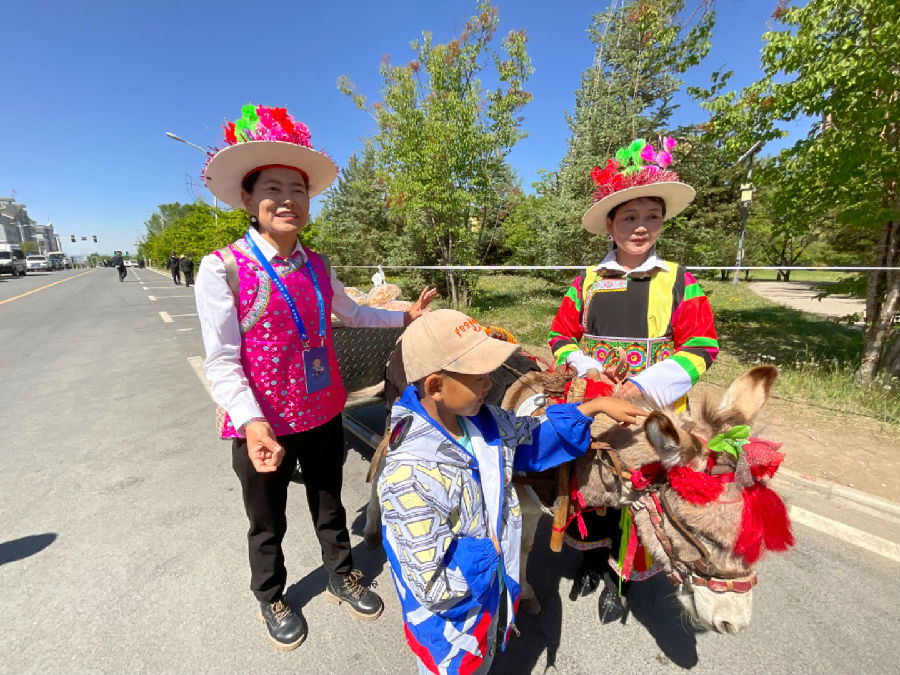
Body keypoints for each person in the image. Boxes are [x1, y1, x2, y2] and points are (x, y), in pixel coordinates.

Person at [194, 104, 437, 652]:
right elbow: (222, 360)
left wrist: (406, 317)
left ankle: (341, 574)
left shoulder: (318, 265)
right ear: (248, 200)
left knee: (330, 501)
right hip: (261, 425)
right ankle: (271, 594)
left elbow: (352, 314)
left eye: (298, 190)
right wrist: (252, 422)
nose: (287, 200)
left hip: (323, 409)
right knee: (266, 520)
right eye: (273, 188)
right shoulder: (224, 269)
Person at [379, 309, 647, 675]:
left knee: (486, 658)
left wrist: (593, 407)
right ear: (436, 386)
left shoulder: (478, 421)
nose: (490, 384)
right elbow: (433, 585)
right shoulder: (409, 475)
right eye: (479, 376)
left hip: (487, 600)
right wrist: (497, 551)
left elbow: (530, 434)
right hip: (454, 628)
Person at [547, 137, 719, 621]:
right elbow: (560, 337)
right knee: (590, 483)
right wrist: (588, 368)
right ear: (610, 224)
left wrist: (647, 385)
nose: (640, 226)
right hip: (598, 404)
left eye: (651, 216)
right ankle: (591, 562)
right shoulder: (585, 281)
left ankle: (620, 580)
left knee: (640, 495)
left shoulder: (680, 281)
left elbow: (703, 346)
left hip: (654, 411)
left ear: (663, 222)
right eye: (629, 217)